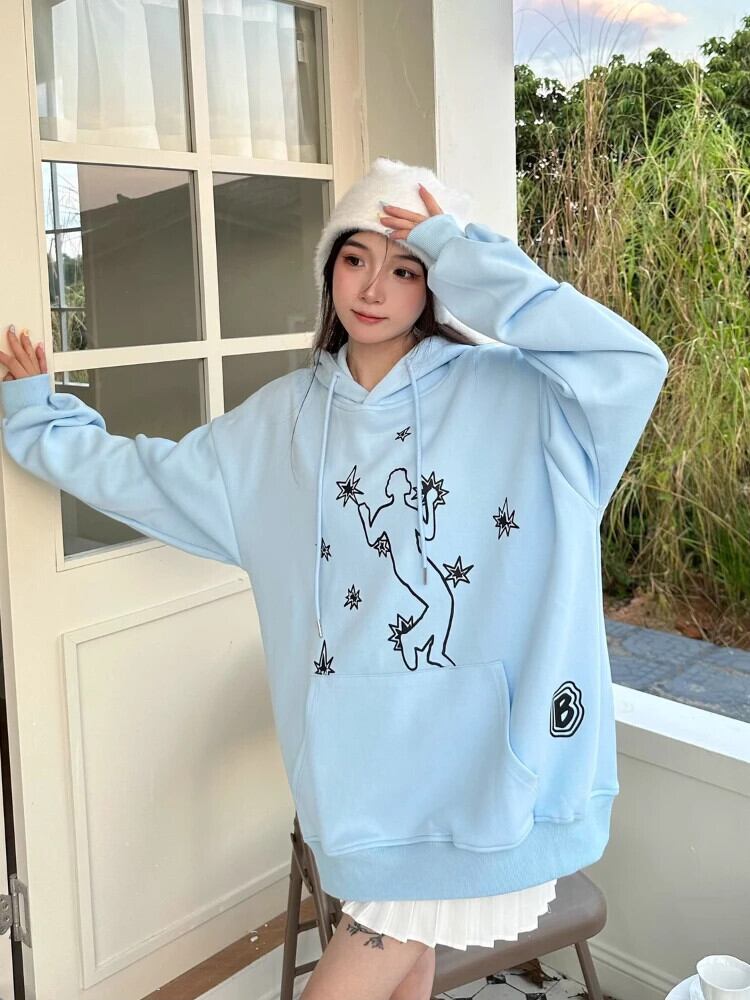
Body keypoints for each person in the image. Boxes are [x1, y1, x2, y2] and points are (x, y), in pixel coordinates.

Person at [0, 157, 669, 1000]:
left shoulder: (522, 402)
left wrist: (468, 256)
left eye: (407, 268)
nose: (374, 288)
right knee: (408, 969)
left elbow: (629, 363)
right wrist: (38, 416)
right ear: (330, 270)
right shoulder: (280, 425)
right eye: (356, 258)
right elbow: (149, 478)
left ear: (437, 284)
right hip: (363, 785)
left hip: (486, 778)